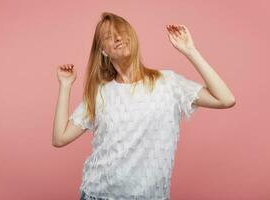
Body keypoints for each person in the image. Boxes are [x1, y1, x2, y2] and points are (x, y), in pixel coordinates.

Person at [52, 12, 236, 200]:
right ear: (103, 51)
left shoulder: (168, 83)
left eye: (122, 32)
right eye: (108, 36)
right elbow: (60, 138)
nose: (117, 37)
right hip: (98, 194)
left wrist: (190, 51)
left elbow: (225, 99)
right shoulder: (100, 93)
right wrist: (65, 86)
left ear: (132, 37)